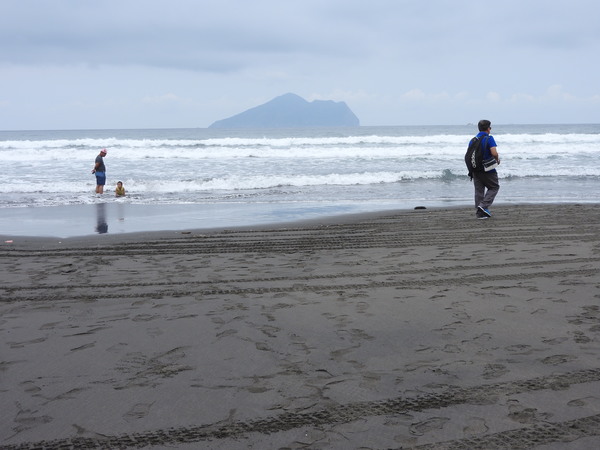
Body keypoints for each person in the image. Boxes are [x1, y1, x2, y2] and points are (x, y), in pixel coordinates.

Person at [472, 120, 500, 219]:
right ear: (488, 129)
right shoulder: (489, 138)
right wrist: (497, 160)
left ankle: (480, 213)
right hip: (488, 168)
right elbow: (494, 153)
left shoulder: (473, 139)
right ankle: (483, 206)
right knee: (494, 187)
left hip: (475, 168)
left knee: (479, 190)